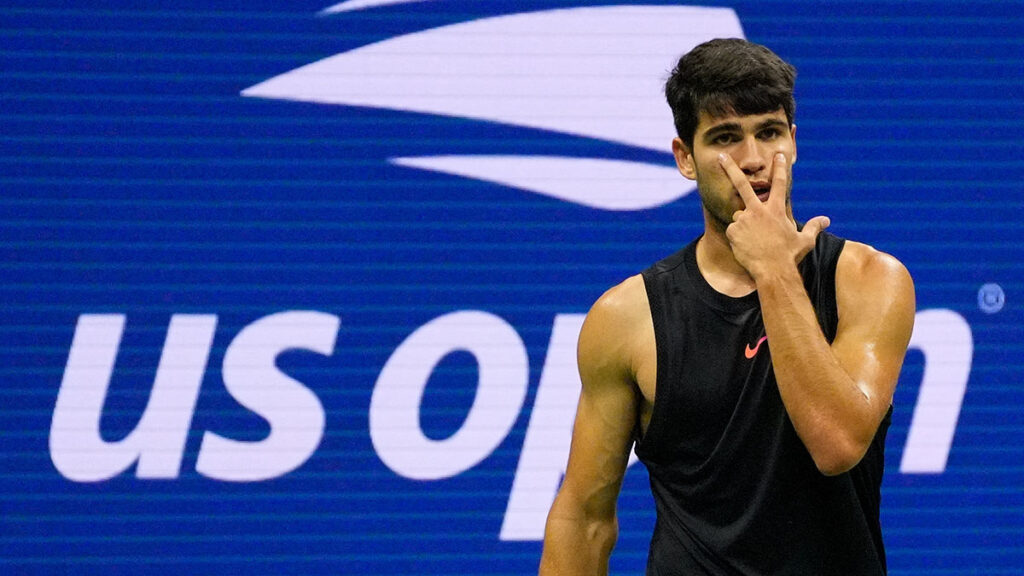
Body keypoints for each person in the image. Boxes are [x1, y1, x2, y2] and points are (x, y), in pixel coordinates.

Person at [538, 38, 915, 575]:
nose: (754, 160)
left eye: (769, 132)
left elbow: (837, 443)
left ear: (794, 141)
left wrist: (774, 271)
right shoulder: (627, 317)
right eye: (725, 138)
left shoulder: (870, 281)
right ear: (685, 158)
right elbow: (584, 517)